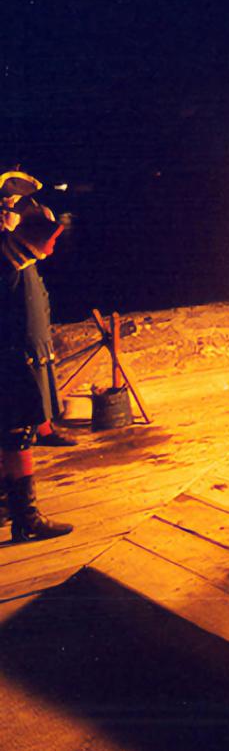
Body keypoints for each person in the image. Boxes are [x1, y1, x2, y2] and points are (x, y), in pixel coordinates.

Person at [0, 170, 74, 541]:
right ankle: (26, 518)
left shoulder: (17, 262)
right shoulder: (7, 266)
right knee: (16, 438)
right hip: (11, 364)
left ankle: (10, 507)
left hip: (19, 359)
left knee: (13, 436)